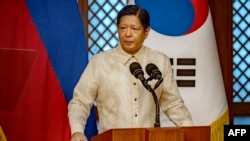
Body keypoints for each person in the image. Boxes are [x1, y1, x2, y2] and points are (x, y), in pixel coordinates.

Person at [68, 4, 194, 141]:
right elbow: (80, 102)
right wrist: (77, 131)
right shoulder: (100, 62)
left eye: (134, 29)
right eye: (122, 28)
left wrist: (190, 130)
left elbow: (173, 104)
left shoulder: (159, 61)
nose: (127, 34)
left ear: (146, 32)